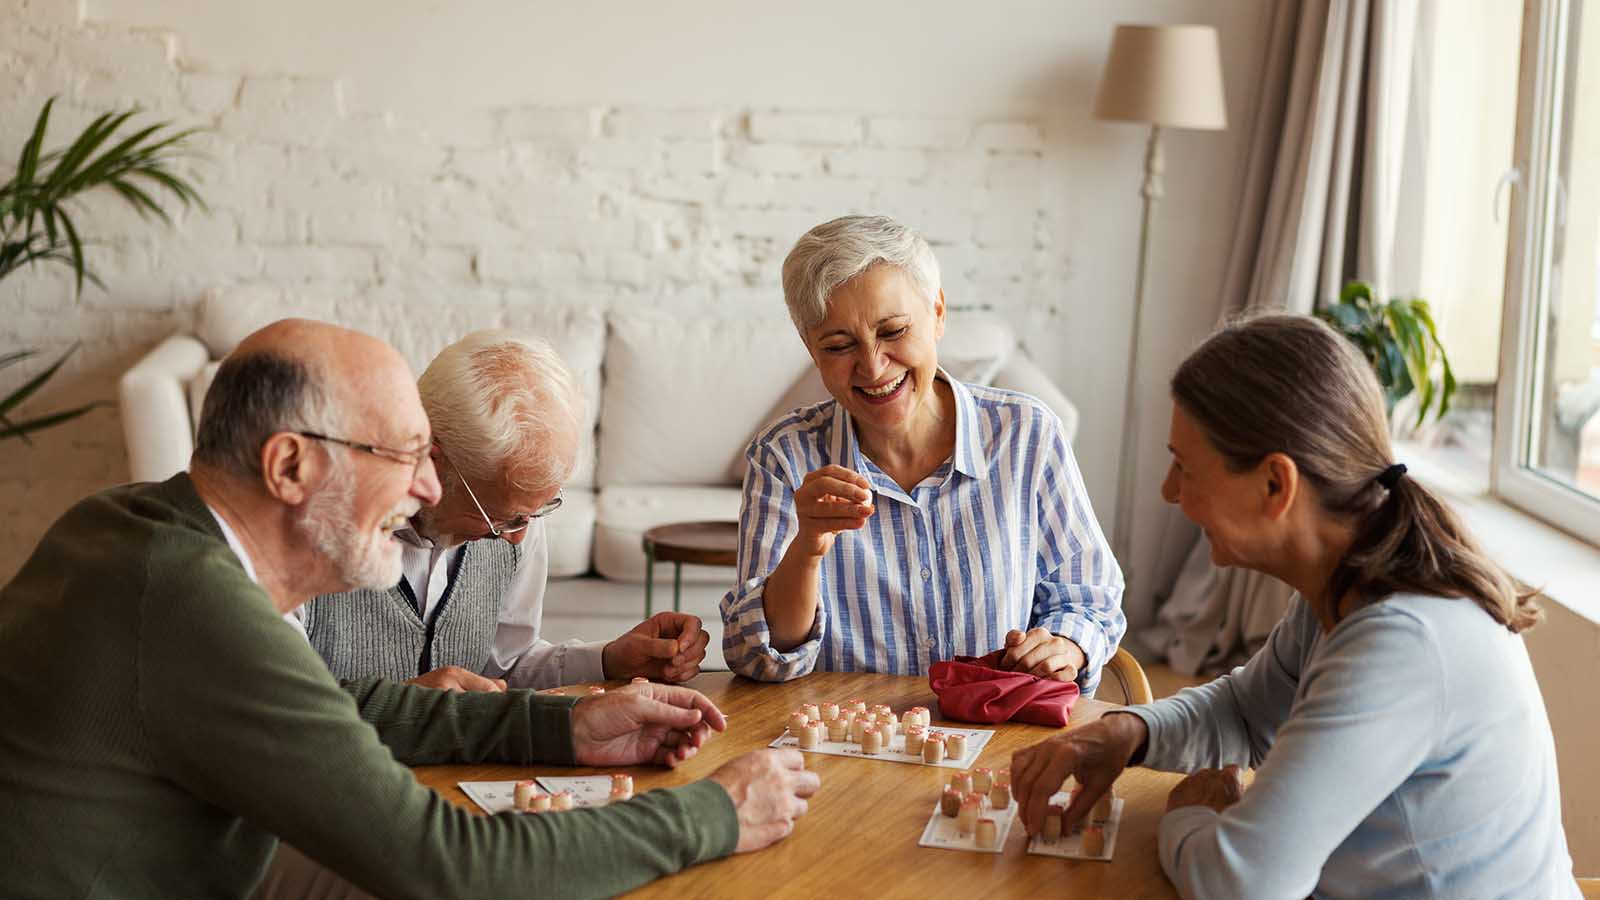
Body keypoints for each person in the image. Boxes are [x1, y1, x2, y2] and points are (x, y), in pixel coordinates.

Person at [0, 319, 817, 899]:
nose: (425, 489)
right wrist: (712, 811)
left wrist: (560, 725)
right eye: (400, 457)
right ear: (290, 466)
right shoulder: (195, 603)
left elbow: (329, 706)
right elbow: (446, 865)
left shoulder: (134, 524)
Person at [1011, 315, 1577, 899]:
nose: (1169, 491)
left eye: (1186, 465)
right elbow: (1245, 712)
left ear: (1275, 485)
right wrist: (1127, 731)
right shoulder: (1344, 585)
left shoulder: (1402, 641)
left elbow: (1242, 882)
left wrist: (1192, 814)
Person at [720, 214, 1125, 690]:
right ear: (812, 350)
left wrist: (1064, 645)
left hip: (996, 736)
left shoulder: (1027, 434)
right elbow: (758, 655)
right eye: (839, 344)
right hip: (848, 748)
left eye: (892, 331)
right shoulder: (784, 455)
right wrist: (807, 549)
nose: (872, 367)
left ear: (937, 314)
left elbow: (1089, 599)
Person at [300, 329, 708, 692]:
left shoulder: (519, 512)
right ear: (432, 459)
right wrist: (409, 703)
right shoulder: (310, 530)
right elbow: (272, 711)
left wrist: (609, 660)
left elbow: (506, 665)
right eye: (501, 518)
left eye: (535, 512)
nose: (516, 537)